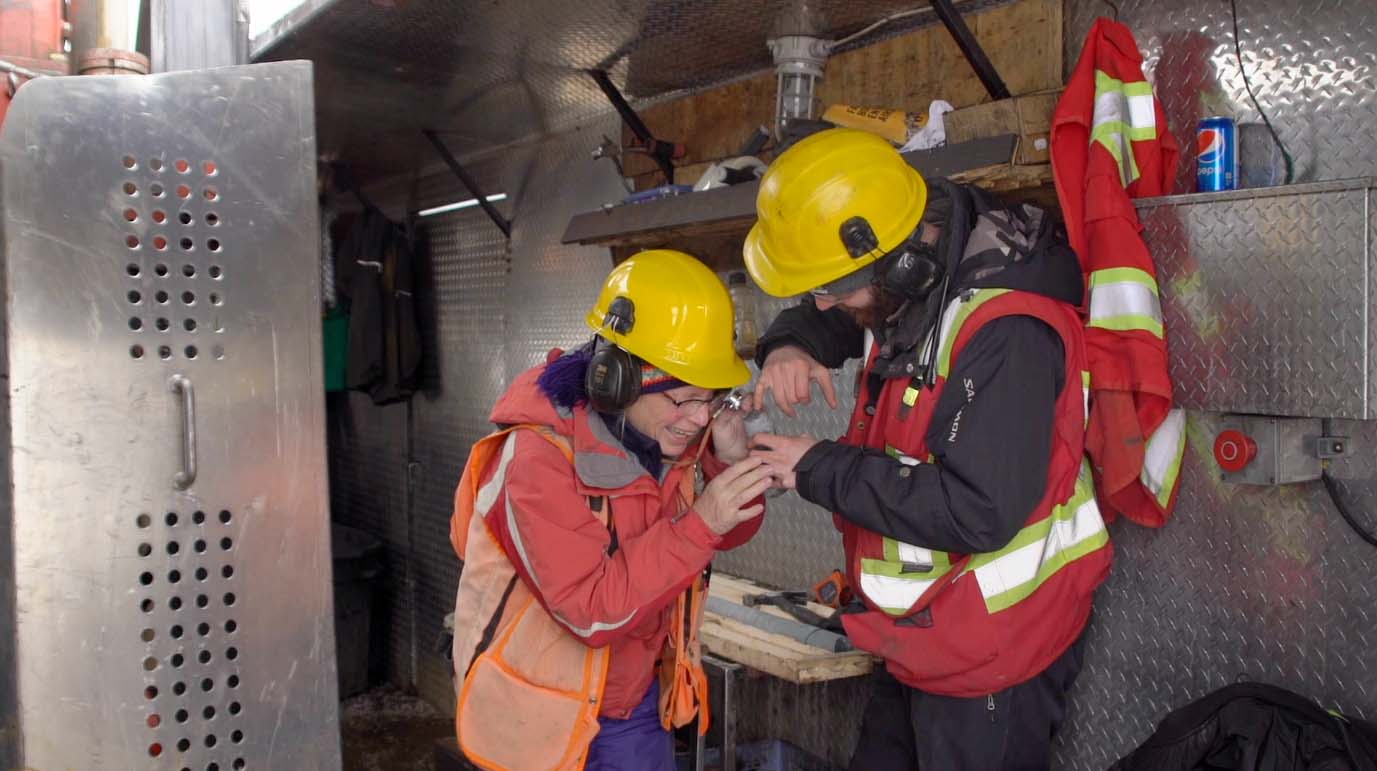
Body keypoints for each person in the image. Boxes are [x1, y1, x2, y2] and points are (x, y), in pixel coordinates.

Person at [742, 128, 1112, 770]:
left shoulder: (1008, 333)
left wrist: (816, 467)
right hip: (925, 632)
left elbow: (978, 511)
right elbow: (837, 312)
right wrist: (789, 345)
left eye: (832, 288)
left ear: (900, 262)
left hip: (996, 649)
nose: (824, 302)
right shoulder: (917, 273)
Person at [449, 249, 772, 771]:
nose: (698, 418)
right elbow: (592, 609)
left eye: (712, 399)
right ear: (617, 379)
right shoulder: (536, 458)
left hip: (631, 700)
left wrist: (729, 468)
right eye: (684, 400)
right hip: (539, 714)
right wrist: (702, 521)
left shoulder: (660, 435)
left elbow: (721, 534)